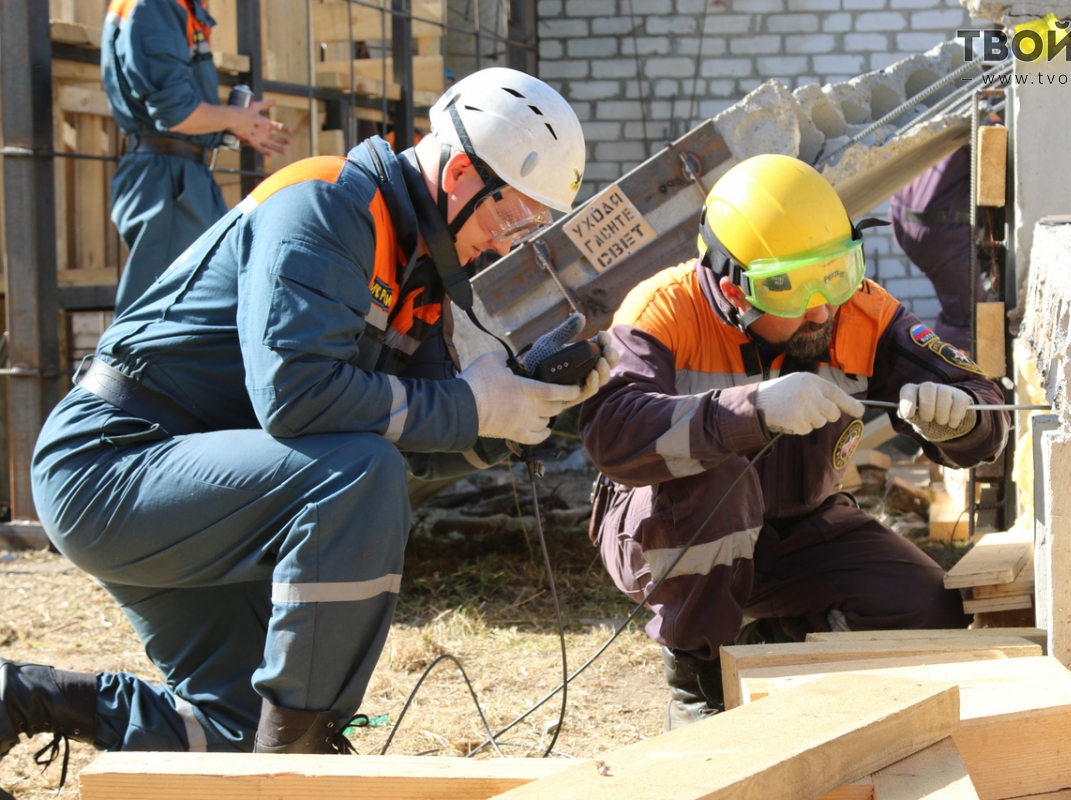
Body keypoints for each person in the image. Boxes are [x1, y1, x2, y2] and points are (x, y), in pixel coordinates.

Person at [3, 68, 611, 783]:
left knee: (233, 731)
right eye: (513, 217)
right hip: (112, 464)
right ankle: (299, 763)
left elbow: (408, 436)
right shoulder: (325, 206)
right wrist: (472, 407)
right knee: (357, 474)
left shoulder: (415, 274)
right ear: (457, 173)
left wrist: (514, 419)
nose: (511, 243)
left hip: (199, 487)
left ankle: (27, 699)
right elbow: (296, 396)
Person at [579, 154, 1010, 730]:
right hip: (670, 528)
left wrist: (964, 422)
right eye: (792, 288)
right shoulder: (664, 311)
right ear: (736, 290)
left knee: (926, 606)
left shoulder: (860, 312)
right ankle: (700, 679)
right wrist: (749, 411)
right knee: (717, 470)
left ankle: (766, 650)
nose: (821, 308)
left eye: (835, 273)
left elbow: (986, 401)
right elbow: (611, 431)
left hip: (797, 526)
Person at [103, 0, 291, 315]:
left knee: (184, 313)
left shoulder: (169, 7)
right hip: (169, 181)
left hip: (178, 175)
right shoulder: (157, 6)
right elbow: (175, 113)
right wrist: (233, 119)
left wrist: (234, 123)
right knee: (158, 320)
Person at [888, 146, 982, 352]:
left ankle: (952, 368)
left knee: (957, 303)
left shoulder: (948, 121)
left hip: (905, 219)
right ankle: (962, 378)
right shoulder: (983, 121)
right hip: (936, 229)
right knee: (967, 317)